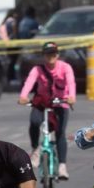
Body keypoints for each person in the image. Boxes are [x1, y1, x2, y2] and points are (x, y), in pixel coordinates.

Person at [19, 42, 76, 180]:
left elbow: (71, 83)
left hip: (61, 103)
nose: (51, 56)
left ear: (58, 54)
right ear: (43, 55)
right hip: (42, 103)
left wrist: (71, 96)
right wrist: (23, 96)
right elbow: (29, 82)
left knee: (60, 132)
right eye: (48, 53)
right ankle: (35, 150)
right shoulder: (37, 69)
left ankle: (62, 166)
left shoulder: (65, 67)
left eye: (54, 53)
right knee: (34, 122)